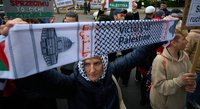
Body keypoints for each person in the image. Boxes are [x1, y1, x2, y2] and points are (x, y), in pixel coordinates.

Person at [0, 18, 166, 109]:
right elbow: (39, 77)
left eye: (97, 63)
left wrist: (164, 31)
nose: (92, 70)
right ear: (79, 65)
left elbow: (137, 55)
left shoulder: (112, 70)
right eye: (86, 64)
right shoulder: (71, 84)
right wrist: (20, 49)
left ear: (105, 63)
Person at [150, 27, 196, 109]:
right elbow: (159, 86)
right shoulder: (160, 60)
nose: (187, 41)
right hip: (164, 105)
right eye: (184, 39)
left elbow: (191, 75)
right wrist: (181, 81)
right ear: (174, 43)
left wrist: (191, 84)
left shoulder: (185, 55)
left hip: (179, 103)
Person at [185, 29, 200, 109]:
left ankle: (191, 99)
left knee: (197, 90)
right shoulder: (192, 35)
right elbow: (185, 52)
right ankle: (184, 105)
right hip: (194, 70)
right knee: (187, 90)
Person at [60, 11, 79, 76]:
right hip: (66, 66)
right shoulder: (60, 30)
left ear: (77, 21)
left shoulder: (82, 32)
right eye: (67, 22)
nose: (69, 24)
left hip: (78, 66)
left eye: (72, 23)